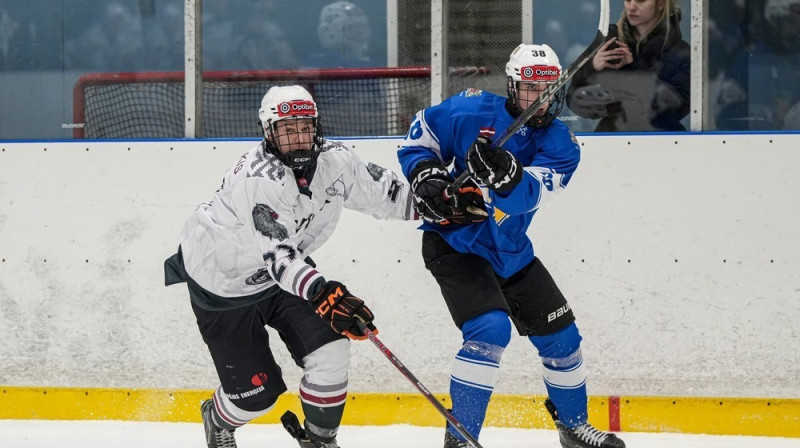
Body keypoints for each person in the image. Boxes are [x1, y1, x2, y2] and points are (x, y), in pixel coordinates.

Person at [397, 43, 626, 448]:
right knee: (489, 329)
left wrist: (506, 175)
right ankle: (462, 439)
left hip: (510, 251)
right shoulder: (470, 110)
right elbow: (420, 137)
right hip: (455, 243)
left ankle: (572, 426)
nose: (541, 99)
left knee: (564, 339)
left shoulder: (562, 143)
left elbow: (529, 196)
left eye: (550, 89)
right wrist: (427, 175)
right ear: (511, 86)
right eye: (530, 89)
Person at [164, 85, 416, 448]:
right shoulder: (259, 178)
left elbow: (390, 196)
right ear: (268, 133)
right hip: (223, 283)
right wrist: (322, 291)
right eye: (286, 130)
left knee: (332, 349)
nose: (298, 139)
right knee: (257, 396)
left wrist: (439, 201)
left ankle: (318, 440)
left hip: (282, 277)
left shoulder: (336, 161)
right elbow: (279, 257)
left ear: (316, 127)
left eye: (304, 127)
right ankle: (217, 419)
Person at [567, 0, 690, 131]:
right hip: (609, 140)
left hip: (662, 141)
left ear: (660, 4)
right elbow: (573, 99)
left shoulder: (680, 53)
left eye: (640, 1)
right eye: (627, 0)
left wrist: (633, 69)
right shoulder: (608, 42)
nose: (631, 7)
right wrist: (592, 67)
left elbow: (675, 108)